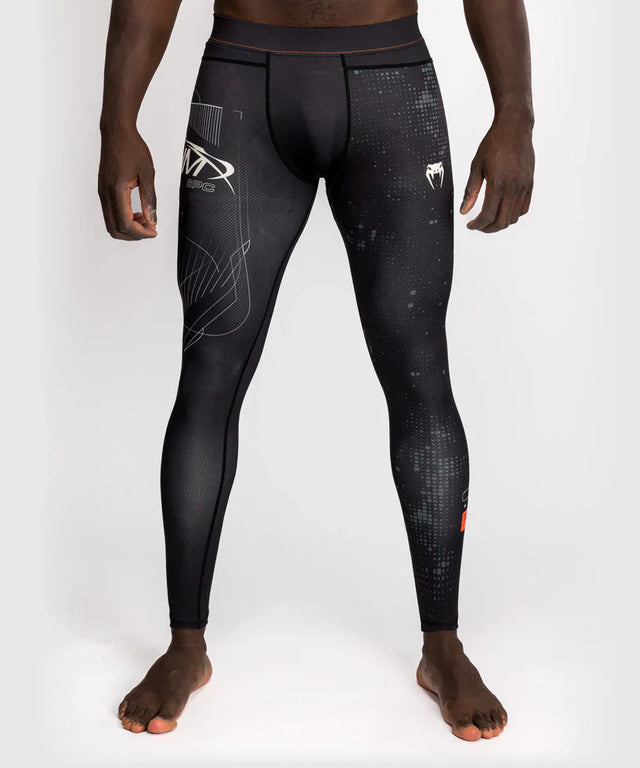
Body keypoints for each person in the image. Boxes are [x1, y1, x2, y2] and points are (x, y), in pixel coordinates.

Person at [98, 0, 534, 741]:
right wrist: (117, 124)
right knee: (208, 377)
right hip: (241, 84)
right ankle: (185, 644)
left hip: (393, 89)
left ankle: (443, 644)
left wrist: (515, 115)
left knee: (421, 377)